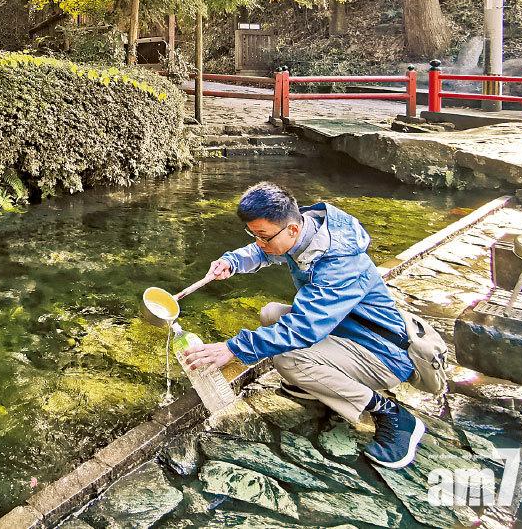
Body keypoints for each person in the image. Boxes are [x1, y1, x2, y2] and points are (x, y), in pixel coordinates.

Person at [180, 181, 426, 469]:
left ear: (292, 229)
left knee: (288, 358)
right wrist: (232, 262)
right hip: (348, 332)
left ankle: (391, 413)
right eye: (254, 234)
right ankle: (316, 385)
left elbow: (304, 328)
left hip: (382, 354)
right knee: (272, 314)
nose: (259, 242)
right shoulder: (304, 231)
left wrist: (234, 348)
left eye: (263, 235)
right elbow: (265, 251)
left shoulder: (339, 263)